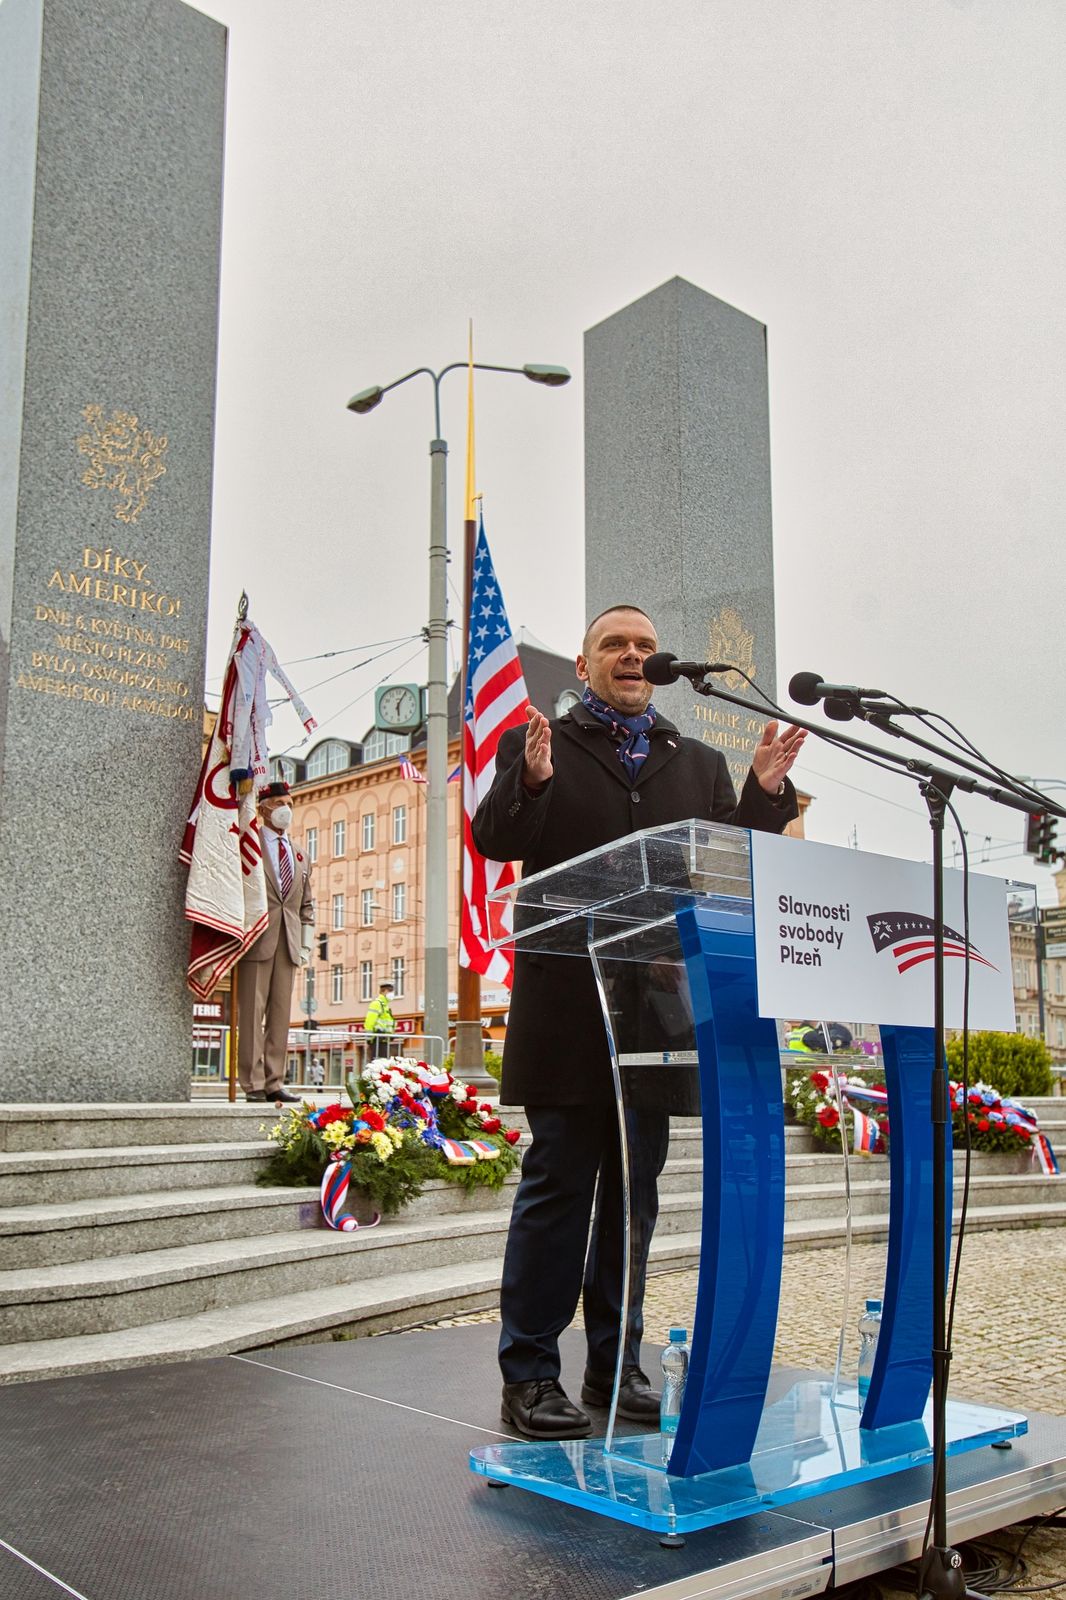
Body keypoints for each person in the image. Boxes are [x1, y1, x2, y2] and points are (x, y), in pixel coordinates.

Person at [472, 604, 806, 1441]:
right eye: (614, 645)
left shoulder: (694, 762)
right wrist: (535, 782)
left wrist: (763, 794)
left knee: (633, 1199)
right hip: (566, 1003)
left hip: (653, 1011)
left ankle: (614, 1365)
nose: (632, 655)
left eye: (645, 647)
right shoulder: (540, 743)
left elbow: (724, 856)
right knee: (559, 1190)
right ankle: (531, 1375)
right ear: (583, 667)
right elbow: (494, 837)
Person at [236, 781, 313, 1104]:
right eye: (280, 802)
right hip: (256, 937)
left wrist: (306, 944)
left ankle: (273, 1081)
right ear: (264, 807)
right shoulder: (248, 844)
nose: (286, 809)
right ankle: (252, 1082)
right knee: (252, 1013)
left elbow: (306, 904)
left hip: (289, 941)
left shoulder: (300, 853)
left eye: (290, 803)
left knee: (280, 1015)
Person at [364, 982, 396, 1060]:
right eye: (389, 991)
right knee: (377, 1063)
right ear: (383, 992)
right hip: (377, 1038)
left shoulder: (385, 1006)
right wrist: (369, 1038)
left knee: (383, 1063)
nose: (392, 993)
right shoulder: (376, 1004)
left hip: (384, 1039)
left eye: (392, 991)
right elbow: (369, 1021)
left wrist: (391, 1034)